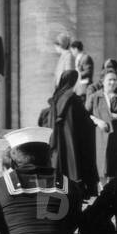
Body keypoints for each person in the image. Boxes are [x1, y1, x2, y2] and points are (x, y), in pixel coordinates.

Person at [40, 68, 99, 198]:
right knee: (74, 163)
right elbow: (83, 120)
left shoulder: (57, 96)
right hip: (71, 138)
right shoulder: (72, 98)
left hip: (59, 137)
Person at [86, 67, 117, 184]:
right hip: (100, 137)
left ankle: (115, 191)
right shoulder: (95, 97)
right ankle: (102, 190)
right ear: (103, 81)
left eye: (115, 80)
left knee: (116, 166)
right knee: (101, 165)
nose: (113, 82)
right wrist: (98, 121)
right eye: (110, 80)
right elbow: (85, 115)